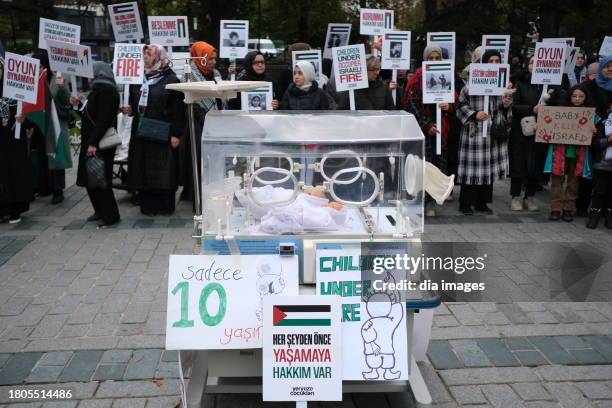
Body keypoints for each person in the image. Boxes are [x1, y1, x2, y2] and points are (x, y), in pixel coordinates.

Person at [126, 44, 185, 215]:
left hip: (163, 133)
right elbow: (135, 102)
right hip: (143, 133)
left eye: (149, 53)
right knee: (144, 169)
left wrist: (176, 134)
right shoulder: (138, 78)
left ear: (160, 57)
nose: (145, 56)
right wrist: (130, 107)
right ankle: (148, 205)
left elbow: (178, 110)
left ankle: (164, 205)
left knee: (163, 170)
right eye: (144, 53)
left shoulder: (171, 80)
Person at [456, 49, 513, 215]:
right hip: (473, 132)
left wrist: (505, 104)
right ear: (483, 63)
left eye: (497, 61)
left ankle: (482, 202)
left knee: (487, 169)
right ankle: (465, 203)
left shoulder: (501, 85)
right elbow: (460, 106)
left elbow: (504, 111)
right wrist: (474, 114)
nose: (494, 64)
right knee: (470, 169)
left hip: (491, 133)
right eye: (491, 61)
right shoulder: (470, 85)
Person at [404, 45, 458, 217]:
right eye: (431, 58)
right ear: (425, 60)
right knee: (424, 164)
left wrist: (448, 107)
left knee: (438, 163)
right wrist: (427, 126)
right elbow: (412, 105)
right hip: (424, 130)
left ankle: (432, 201)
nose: (434, 61)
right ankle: (422, 200)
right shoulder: (416, 79)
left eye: (437, 58)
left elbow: (455, 103)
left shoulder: (447, 76)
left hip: (442, 127)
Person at [76, 62, 121, 228]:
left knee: (99, 179)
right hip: (91, 142)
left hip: (99, 143)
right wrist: (77, 104)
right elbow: (89, 112)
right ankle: (99, 211)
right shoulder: (97, 88)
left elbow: (103, 119)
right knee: (90, 179)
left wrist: (93, 143)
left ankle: (109, 215)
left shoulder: (107, 90)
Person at [179, 41, 223, 205]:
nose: (213, 62)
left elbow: (221, 95)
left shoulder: (216, 73)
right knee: (199, 160)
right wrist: (207, 119)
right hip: (198, 124)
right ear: (200, 58)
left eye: (214, 59)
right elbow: (190, 103)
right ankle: (197, 196)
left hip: (216, 122)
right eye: (210, 59)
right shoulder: (189, 75)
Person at [544, 85, 595, 222]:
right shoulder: (560, 112)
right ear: (570, 97)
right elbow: (547, 125)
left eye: (580, 96)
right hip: (560, 153)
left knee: (573, 183)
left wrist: (594, 130)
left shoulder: (591, 115)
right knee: (556, 182)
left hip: (578, 155)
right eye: (574, 96)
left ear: (586, 98)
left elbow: (597, 132)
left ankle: (567, 209)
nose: (577, 99)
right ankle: (555, 209)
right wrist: (541, 126)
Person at [29, 50, 71, 204]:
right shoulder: (32, 81)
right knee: (38, 156)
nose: (37, 69)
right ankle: (40, 186)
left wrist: (62, 88)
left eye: (39, 66)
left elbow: (68, 100)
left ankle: (58, 189)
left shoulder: (56, 79)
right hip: (38, 124)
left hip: (55, 124)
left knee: (56, 157)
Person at [509, 56, 548, 212]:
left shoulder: (548, 85)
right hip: (521, 132)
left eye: (539, 62)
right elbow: (514, 106)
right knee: (518, 165)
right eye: (532, 62)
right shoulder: (520, 83)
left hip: (542, 132)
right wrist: (532, 109)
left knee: (535, 166)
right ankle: (516, 197)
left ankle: (529, 197)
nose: (535, 65)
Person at [0, 58, 32, 224]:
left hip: (13, 141)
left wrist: (23, 118)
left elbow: (30, 116)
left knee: (14, 174)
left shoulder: (14, 90)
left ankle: (15, 209)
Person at [586, 55, 612, 228]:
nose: (610, 69)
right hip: (597, 140)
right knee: (597, 184)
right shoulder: (591, 87)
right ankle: (592, 211)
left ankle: (608, 213)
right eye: (607, 66)